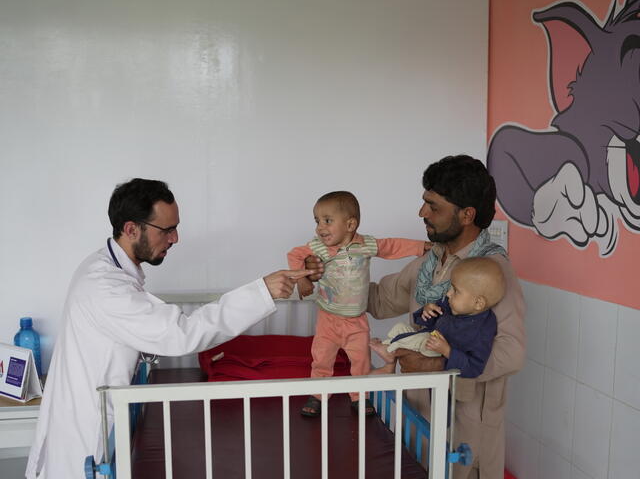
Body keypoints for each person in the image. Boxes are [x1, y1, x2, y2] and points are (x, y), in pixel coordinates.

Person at [26, 178, 311, 479]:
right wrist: (262, 292)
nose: (175, 238)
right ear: (131, 229)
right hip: (88, 439)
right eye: (167, 230)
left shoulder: (103, 267)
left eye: (176, 227)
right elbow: (181, 334)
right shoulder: (104, 287)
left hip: (90, 420)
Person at [306, 156, 526, 479]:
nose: (422, 213)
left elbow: (512, 352)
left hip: (465, 423)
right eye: (424, 203)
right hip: (420, 416)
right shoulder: (430, 263)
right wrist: (336, 270)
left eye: (433, 207)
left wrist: (439, 364)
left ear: (467, 215)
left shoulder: (491, 272)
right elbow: (379, 300)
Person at [287, 190, 428, 417]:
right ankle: (317, 396)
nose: (319, 228)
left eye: (327, 221)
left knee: (361, 361)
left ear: (350, 224)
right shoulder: (318, 247)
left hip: (356, 320)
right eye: (317, 221)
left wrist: (421, 247)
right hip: (328, 318)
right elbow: (294, 254)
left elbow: (392, 246)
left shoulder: (366, 245)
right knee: (321, 359)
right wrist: (302, 279)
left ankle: (359, 396)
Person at [370, 257, 505, 379]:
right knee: (400, 327)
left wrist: (447, 351)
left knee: (421, 339)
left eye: (456, 291)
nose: (448, 293)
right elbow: (431, 322)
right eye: (450, 288)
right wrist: (426, 311)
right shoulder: (450, 303)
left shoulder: (482, 329)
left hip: (436, 352)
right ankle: (390, 352)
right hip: (428, 340)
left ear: (478, 303)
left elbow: (474, 367)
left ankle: (389, 350)